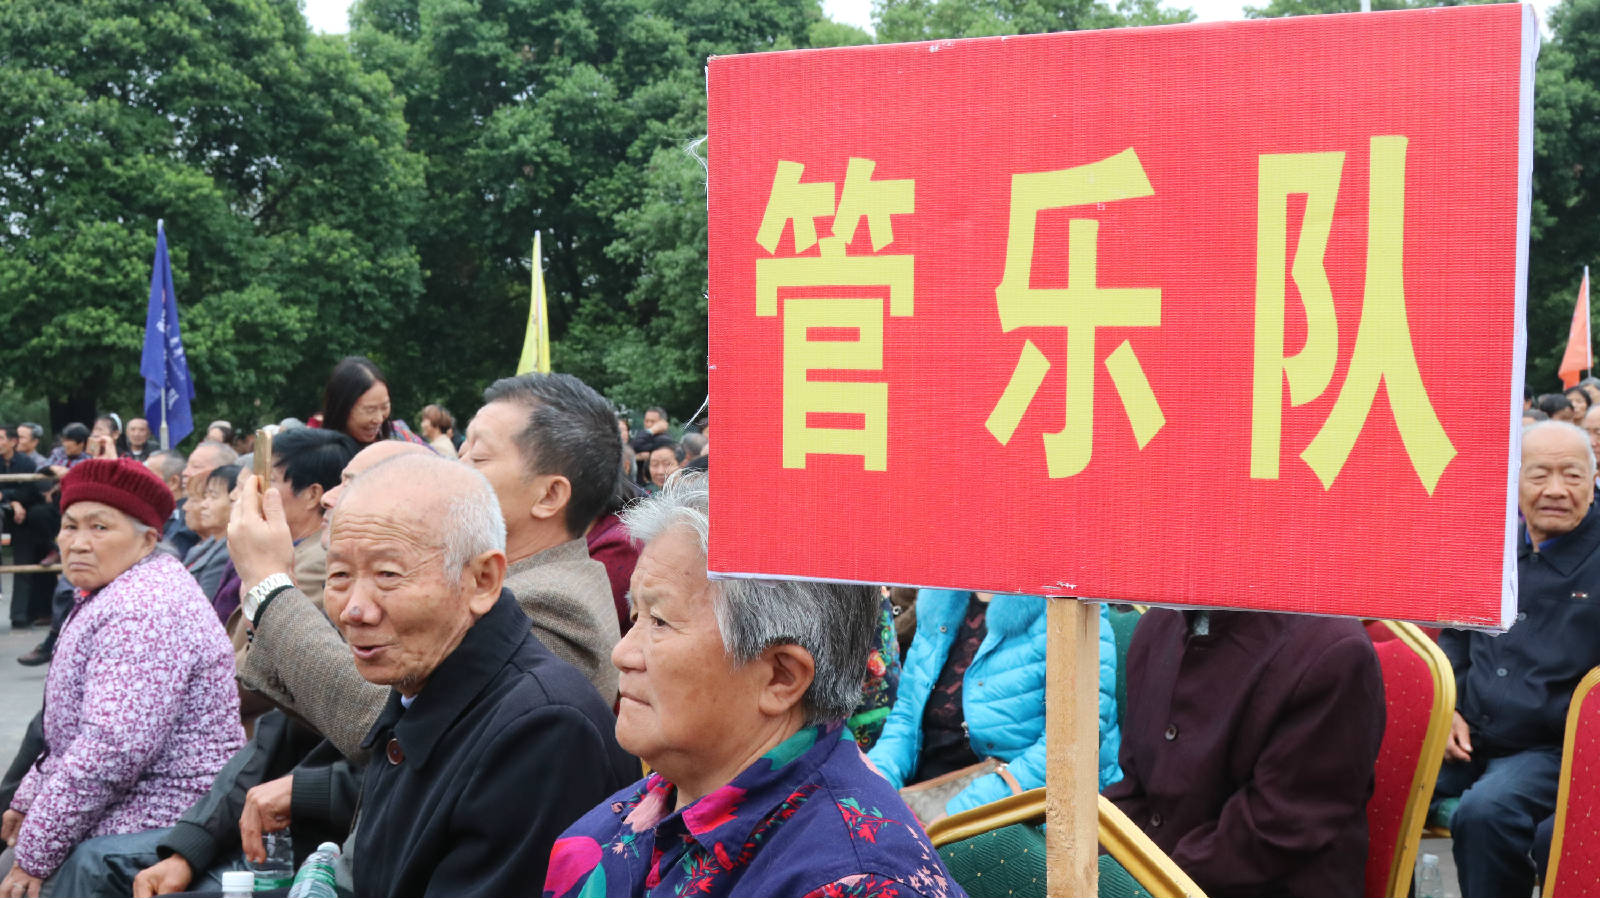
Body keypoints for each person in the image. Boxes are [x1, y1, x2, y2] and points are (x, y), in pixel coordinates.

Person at [546, 472, 964, 898]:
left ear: (781, 677)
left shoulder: (855, 884)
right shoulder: (669, 794)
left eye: (661, 622)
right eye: (636, 616)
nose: (623, 654)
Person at [322, 454, 636, 895]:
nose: (354, 608)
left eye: (388, 574)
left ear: (483, 580)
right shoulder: (419, 688)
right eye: (338, 575)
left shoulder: (543, 731)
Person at [0, 459, 244, 897]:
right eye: (70, 526)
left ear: (148, 539)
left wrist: (37, 850)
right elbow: (68, 733)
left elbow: (111, 749)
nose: (77, 543)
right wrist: (27, 797)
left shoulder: (144, 609)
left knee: (27, 874)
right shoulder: (116, 588)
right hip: (132, 800)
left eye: (99, 528)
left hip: (168, 811)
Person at [1103, 607, 1384, 898]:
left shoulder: (1332, 650)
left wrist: (1140, 884)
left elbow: (1273, 832)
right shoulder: (1161, 623)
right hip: (1162, 876)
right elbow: (1136, 788)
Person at [1434, 420, 1600, 898]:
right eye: (1538, 475)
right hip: (1470, 733)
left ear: (1593, 480)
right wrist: (1448, 709)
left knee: (1487, 810)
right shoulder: (1492, 543)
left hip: (1551, 748)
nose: (1555, 490)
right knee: (1363, 768)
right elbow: (1457, 636)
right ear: (1514, 480)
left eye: (1571, 475)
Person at [867, 591, 1121, 823]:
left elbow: (1068, 750)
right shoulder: (941, 596)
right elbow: (906, 719)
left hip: (1027, 808)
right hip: (925, 796)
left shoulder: (1068, 604)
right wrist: (872, 786)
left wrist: (957, 815)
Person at [0, 427, 42, 630]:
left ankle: (20, 615)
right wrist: (13, 500)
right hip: (6, 512)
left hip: (20, 517)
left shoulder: (26, 463)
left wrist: (12, 500)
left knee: (24, 559)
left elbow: (29, 490)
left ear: (13, 441)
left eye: (0, 438)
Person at [182, 465, 239, 601]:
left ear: (235, 501)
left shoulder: (228, 554)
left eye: (213, 497)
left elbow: (203, 605)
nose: (204, 504)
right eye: (205, 496)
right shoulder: (206, 545)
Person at [318, 356, 394, 446]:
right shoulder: (314, 451)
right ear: (342, 408)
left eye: (385, 407)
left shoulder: (400, 437)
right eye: (370, 410)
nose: (379, 419)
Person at [144, 452, 198, 559]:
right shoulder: (156, 513)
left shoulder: (185, 520)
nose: (141, 481)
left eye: (148, 476)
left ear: (173, 482)